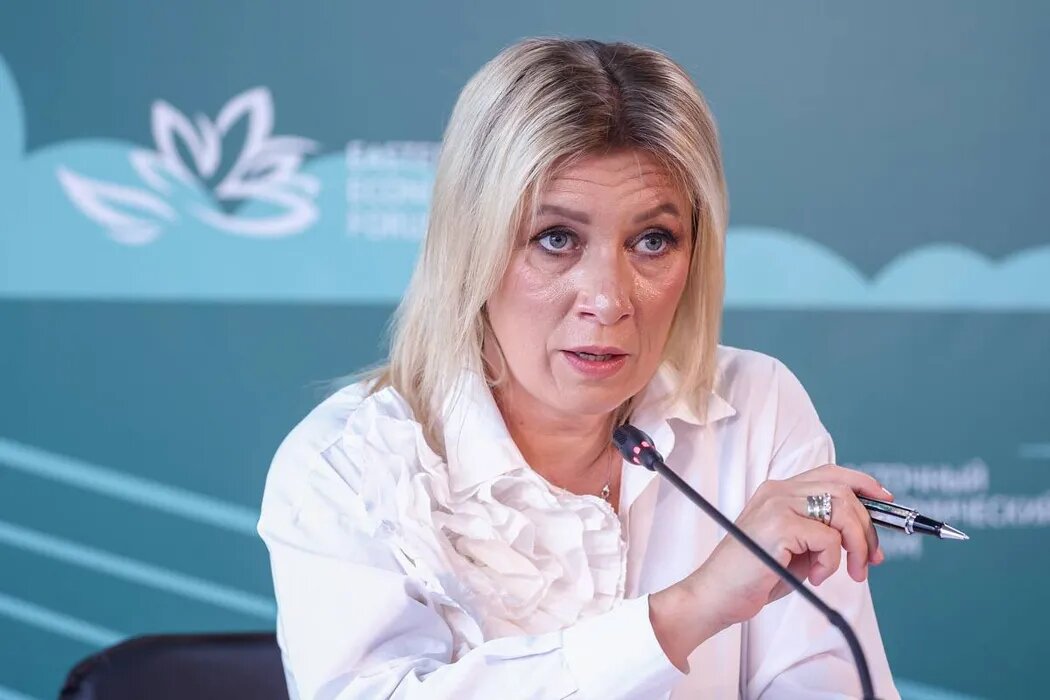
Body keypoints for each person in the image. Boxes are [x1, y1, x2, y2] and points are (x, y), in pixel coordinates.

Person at [258, 37, 900, 699]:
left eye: (652, 241)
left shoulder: (759, 407)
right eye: (556, 239)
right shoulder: (347, 467)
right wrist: (686, 610)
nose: (609, 300)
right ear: (470, 246)